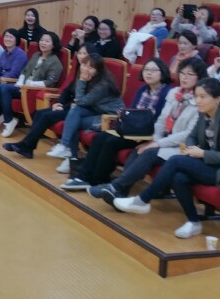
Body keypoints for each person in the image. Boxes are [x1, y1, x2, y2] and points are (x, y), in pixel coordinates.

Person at [114, 78, 220, 239]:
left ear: (217, 99)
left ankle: (143, 200)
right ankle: (194, 222)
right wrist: (191, 149)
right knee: (179, 177)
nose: (198, 101)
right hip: (212, 163)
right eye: (196, 96)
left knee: (175, 160)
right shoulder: (204, 113)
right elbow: (191, 137)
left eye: (203, 97)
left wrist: (203, 154)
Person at [88, 57, 208, 207]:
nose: (184, 77)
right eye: (182, 73)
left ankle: (115, 187)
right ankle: (120, 192)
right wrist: (153, 140)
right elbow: (161, 121)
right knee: (140, 149)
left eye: (190, 74)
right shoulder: (175, 93)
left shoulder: (201, 101)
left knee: (149, 152)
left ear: (200, 77)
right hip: (165, 140)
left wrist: (157, 143)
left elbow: (187, 135)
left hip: (184, 147)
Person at [61, 58, 172, 191]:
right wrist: (124, 115)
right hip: (132, 130)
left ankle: (97, 180)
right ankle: (83, 177)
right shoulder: (143, 89)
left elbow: (161, 121)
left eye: (153, 70)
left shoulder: (167, 93)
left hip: (148, 135)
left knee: (111, 142)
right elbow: (132, 111)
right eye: (146, 69)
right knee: (99, 137)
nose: (149, 73)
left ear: (162, 73)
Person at [2, 44, 92, 159]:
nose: (81, 56)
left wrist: (65, 106)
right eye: (79, 53)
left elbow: (84, 99)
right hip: (69, 106)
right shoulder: (79, 69)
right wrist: (59, 103)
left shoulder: (92, 71)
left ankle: (26, 146)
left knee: (46, 116)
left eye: (85, 53)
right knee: (38, 113)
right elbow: (67, 90)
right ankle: (27, 147)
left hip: (80, 110)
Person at [45, 53, 125, 173]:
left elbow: (81, 101)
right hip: (96, 112)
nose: (86, 69)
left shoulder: (103, 85)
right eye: (84, 65)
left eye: (91, 67)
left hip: (110, 118)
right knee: (74, 114)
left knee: (74, 120)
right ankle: (68, 153)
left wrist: (81, 81)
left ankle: (68, 152)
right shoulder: (88, 78)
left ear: (98, 71)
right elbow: (79, 101)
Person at [0, 31, 64, 137]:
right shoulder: (36, 55)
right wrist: (19, 83)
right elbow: (24, 71)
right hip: (23, 87)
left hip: (34, 90)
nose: (43, 43)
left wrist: (31, 84)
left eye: (47, 41)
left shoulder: (55, 62)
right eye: (42, 40)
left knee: (4, 89)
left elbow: (50, 82)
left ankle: (9, 121)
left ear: (54, 45)